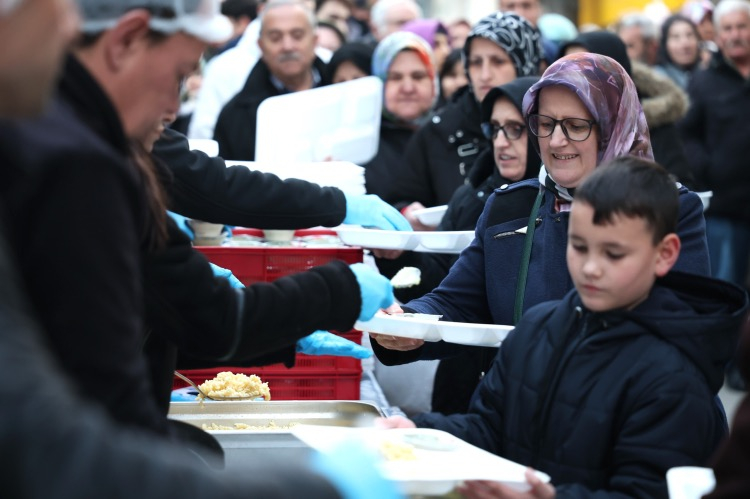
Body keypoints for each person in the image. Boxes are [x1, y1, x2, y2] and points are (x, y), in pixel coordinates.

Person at [0, 1, 402, 498]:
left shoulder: (92, 145)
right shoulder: (75, 166)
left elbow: (170, 321)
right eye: (178, 75)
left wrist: (288, 329)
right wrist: (319, 487)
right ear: (125, 41)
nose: (174, 108)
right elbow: (63, 444)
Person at [378, 157, 748, 499]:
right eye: (579, 246)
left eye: (613, 253)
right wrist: (421, 435)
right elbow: (488, 428)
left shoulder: (674, 376)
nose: (591, 267)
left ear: (665, 253)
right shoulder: (538, 327)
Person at [369, 53, 710, 380]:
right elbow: (459, 300)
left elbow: (682, 331)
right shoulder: (511, 205)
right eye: (545, 124)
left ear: (613, 127)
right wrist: (407, 322)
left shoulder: (668, 208)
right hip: (523, 403)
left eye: (575, 126)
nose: (556, 141)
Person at [374, 76, 541, 415]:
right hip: (466, 389)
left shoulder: (567, 209)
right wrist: (398, 263)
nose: (501, 142)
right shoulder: (477, 197)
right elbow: (452, 291)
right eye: (495, 129)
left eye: (516, 129)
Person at [391, 11, 542, 228]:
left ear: (525, 63)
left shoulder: (548, 123)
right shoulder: (439, 130)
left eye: (498, 61)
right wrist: (409, 213)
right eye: (476, 62)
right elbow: (400, 200)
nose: (485, 75)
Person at [558, 30, 696, 188]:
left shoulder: (656, 127)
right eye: (565, 67)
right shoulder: (555, 125)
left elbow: (680, 187)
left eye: (584, 67)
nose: (573, 77)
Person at [679, 0, 750, 288]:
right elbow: (686, 133)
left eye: (742, 26)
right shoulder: (703, 80)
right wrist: (708, 168)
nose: (735, 34)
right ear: (718, 36)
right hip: (724, 208)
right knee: (726, 290)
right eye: (728, 28)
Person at [214, 0, 330, 160]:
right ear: (261, 46)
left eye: (297, 36)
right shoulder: (235, 116)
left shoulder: (342, 89)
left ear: (315, 41)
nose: (287, 46)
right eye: (275, 38)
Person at [363, 31, 437, 205]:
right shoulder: (364, 145)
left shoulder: (451, 133)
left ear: (434, 82)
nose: (408, 88)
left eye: (418, 76)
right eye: (395, 77)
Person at [655, 14, 704, 89]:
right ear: (664, 44)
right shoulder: (656, 79)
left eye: (689, 35)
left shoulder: (711, 72)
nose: (685, 44)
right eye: (676, 37)